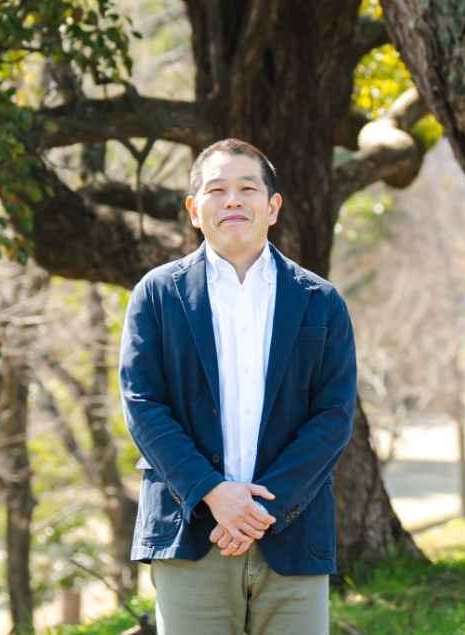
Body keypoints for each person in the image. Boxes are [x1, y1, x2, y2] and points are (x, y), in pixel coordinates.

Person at [118, 138, 357, 634]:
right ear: (193, 210)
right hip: (189, 533)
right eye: (216, 190)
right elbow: (143, 404)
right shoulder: (157, 295)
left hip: (293, 535)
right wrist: (212, 492)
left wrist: (262, 508)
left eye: (247, 188)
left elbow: (333, 415)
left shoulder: (320, 301)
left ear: (273, 207)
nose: (232, 200)